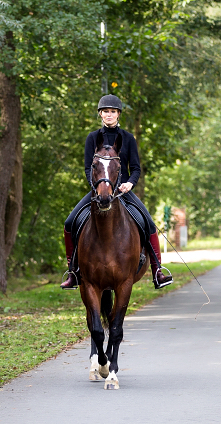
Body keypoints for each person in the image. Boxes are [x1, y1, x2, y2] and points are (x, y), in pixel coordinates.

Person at [60, 94, 173, 290]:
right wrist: (96, 187)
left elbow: (136, 168)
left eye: (112, 111)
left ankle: (157, 271)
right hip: (99, 192)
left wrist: (129, 183)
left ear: (118, 114)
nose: (109, 114)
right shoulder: (92, 138)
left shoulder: (128, 138)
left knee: (149, 223)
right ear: (100, 114)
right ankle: (73, 271)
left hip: (123, 192)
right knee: (70, 222)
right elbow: (89, 168)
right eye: (105, 111)